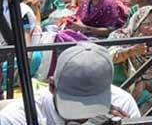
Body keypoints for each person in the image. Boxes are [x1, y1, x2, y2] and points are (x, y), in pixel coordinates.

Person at [0, 41, 140, 125]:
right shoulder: (19, 117)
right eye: (75, 106)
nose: (83, 116)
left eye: (93, 104)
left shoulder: (123, 103)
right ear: (52, 86)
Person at [108, 6, 152, 112]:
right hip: (115, 87)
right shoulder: (120, 36)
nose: (151, 29)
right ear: (137, 22)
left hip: (142, 91)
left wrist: (144, 84)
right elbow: (109, 57)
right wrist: (131, 51)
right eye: (147, 23)